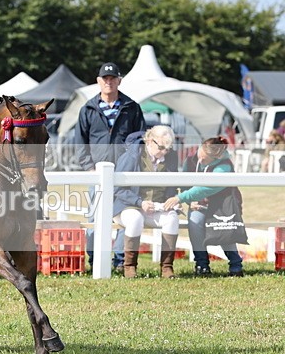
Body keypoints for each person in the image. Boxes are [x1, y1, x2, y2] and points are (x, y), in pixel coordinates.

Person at [74, 62, 147, 273]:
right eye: (105, 79)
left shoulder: (132, 107)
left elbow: (140, 139)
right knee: (94, 218)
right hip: (96, 174)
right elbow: (80, 142)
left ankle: (120, 260)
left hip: (125, 174)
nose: (109, 82)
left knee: (128, 214)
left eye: (112, 78)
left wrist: (133, 166)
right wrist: (89, 169)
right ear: (98, 81)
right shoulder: (87, 109)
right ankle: (94, 259)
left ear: (119, 81)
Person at [163, 137, 244, 277]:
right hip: (199, 204)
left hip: (223, 204)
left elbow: (206, 188)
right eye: (200, 155)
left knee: (223, 228)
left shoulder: (224, 166)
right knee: (195, 222)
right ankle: (202, 264)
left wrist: (180, 198)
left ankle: (235, 264)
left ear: (216, 157)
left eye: (204, 159)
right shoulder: (191, 160)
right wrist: (190, 202)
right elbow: (185, 184)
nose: (200, 160)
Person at [113, 125, 180, 278]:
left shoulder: (171, 157)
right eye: (162, 148)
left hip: (157, 206)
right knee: (135, 219)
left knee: (172, 219)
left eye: (168, 149)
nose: (164, 152)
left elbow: (173, 184)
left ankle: (167, 267)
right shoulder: (131, 156)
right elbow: (118, 189)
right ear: (150, 141)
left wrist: (173, 200)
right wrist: (139, 202)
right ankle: (129, 266)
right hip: (127, 206)